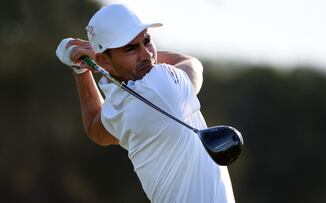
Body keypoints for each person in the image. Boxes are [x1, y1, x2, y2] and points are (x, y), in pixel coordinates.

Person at [56, 4, 235, 203]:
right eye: (131, 48)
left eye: (147, 41)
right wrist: (91, 59)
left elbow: (94, 128)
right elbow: (190, 62)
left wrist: (81, 70)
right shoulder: (162, 86)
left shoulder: (122, 105)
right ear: (104, 62)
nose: (147, 55)